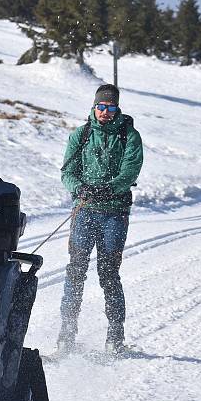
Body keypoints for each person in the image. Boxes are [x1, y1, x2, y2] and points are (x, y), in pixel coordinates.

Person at [57, 83, 143, 354]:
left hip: (115, 212)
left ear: (118, 109)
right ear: (94, 107)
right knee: (75, 270)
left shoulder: (130, 136)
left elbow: (131, 170)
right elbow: (67, 172)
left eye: (110, 107)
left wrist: (110, 188)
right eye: (101, 107)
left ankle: (115, 337)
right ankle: (66, 336)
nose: (105, 112)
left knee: (108, 272)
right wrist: (79, 188)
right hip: (85, 210)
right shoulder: (80, 135)